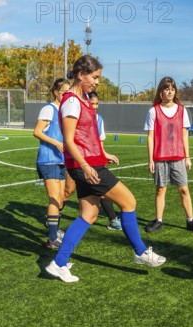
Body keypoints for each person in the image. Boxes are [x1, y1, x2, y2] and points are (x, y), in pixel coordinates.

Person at [45, 55, 166, 283]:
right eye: (95, 77)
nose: (98, 82)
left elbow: (85, 137)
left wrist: (102, 154)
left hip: (89, 163)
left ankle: (58, 263)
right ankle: (140, 252)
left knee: (89, 215)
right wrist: (86, 165)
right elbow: (69, 140)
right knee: (129, 202)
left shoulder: (81, 99)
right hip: (86, 167)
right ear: (81, 75)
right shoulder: (71, 101)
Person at [144, 76, 193, 234]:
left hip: (178, 156)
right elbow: (150, 137)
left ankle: (190, 220)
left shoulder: (182, 110)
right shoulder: (153, 111)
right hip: (160, 157)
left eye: (172, 89)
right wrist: (150, 159)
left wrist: (187, 156)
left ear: (175, 91)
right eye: (166, 89)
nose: (169, 92)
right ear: (161, 91)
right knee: (160, 190)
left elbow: (184, 135)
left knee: (184, 189)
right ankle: (158, 220)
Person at [33, 78, 70, 249]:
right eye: (64, 91)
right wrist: (56, 143)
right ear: (56, 92)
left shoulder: (64, 111)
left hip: (60, 160)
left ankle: (54, 230)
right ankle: (52, 238)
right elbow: (37, 132)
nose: (67, 95)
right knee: (55, 198)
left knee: (61, 198)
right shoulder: (49, 109)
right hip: (49, 160)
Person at [89, 90, 122, 231]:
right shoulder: (76, 118)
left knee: (102, 191)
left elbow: (99, 143)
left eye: (97, 104)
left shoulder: (99, 119)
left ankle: (114, 220)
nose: (95, 107)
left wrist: (105, 154)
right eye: (92, 103)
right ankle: (53, 218)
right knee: (66, 192)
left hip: (95, 161)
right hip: (79, 163)